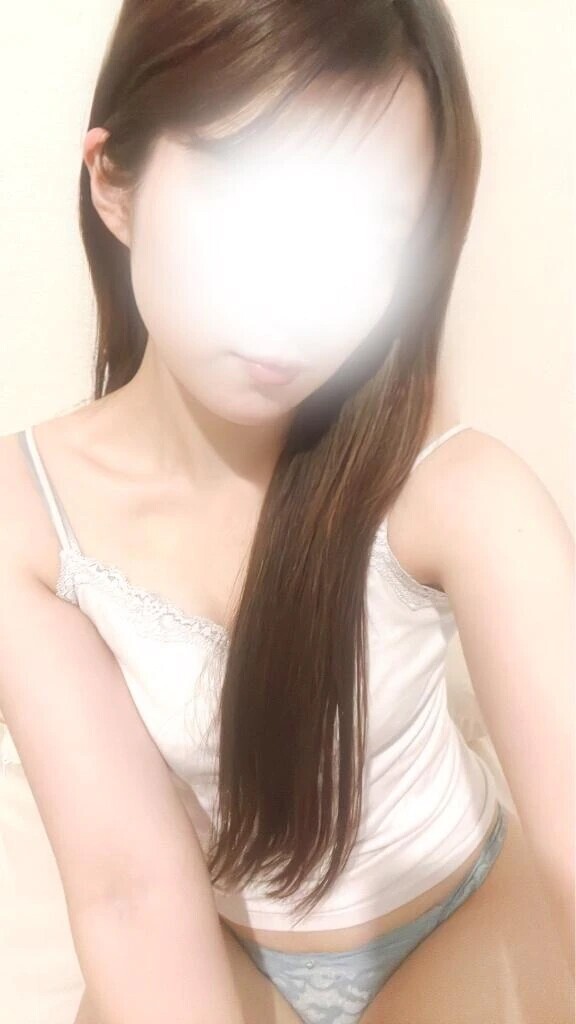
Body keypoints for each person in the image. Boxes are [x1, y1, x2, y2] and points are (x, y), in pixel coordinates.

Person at [0, 1, 573, 1022]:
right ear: (115, 180)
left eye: (368, 233)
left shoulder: (459, 492)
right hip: (215, 941)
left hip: (461, 914)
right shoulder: (29, 518)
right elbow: (130, 890)